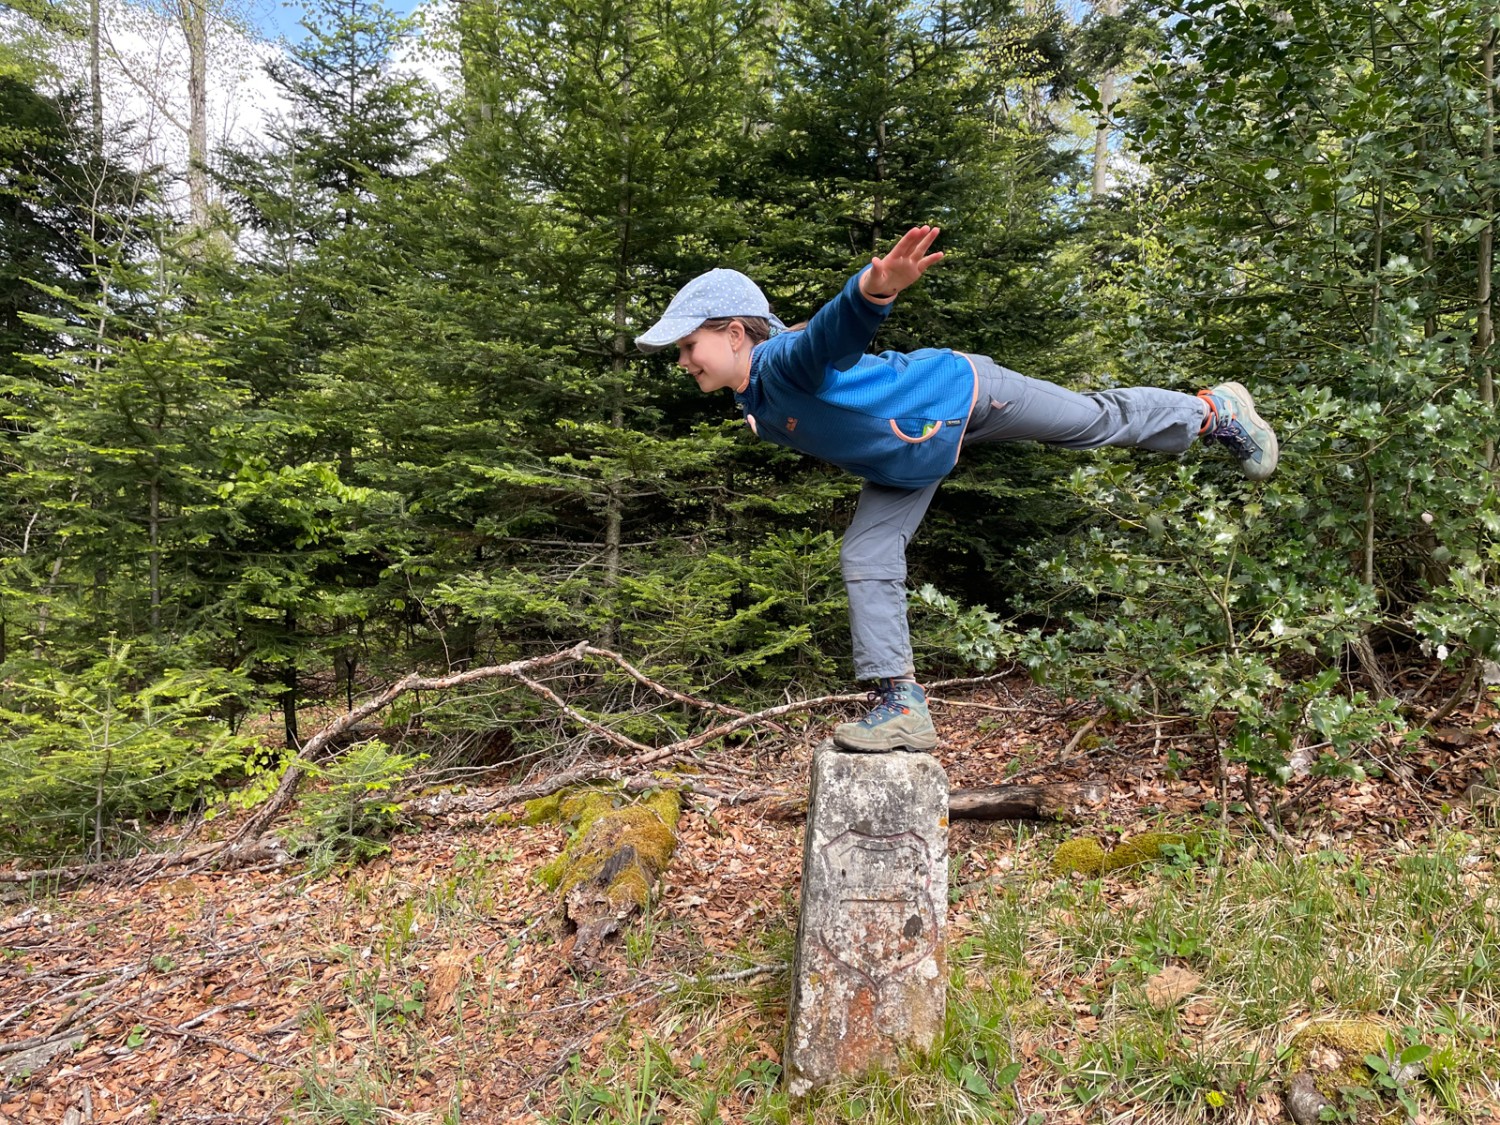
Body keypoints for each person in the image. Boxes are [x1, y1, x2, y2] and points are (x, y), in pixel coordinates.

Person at [636, 226, 1277, 753]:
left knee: (1089, 422)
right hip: (909, 463)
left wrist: (871, 290)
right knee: (866, 554)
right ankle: (900, 703)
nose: (685, 359)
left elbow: (829, 337)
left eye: (690, 344)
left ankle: (1214, 412)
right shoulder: (757, 397)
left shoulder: (782, 361)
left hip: (963, 395)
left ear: (735, 333)